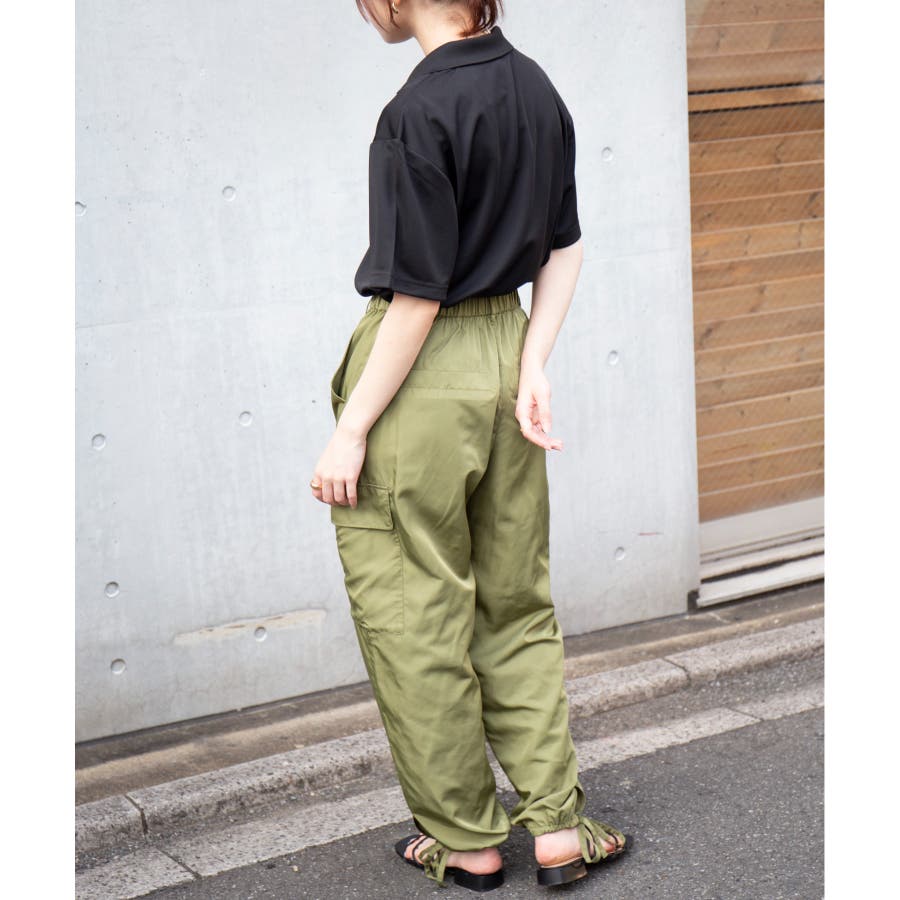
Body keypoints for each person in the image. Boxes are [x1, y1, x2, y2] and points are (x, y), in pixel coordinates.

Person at [310, 0, 629, 890]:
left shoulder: (415, 112)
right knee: (516, 603)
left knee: (416, 613)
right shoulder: (534, 86)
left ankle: (467, 840)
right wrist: (532, 365)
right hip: (504, 352)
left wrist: (350, 430)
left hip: (422, 378)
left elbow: (416, 297)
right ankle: (558, 829)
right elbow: (564, 247)